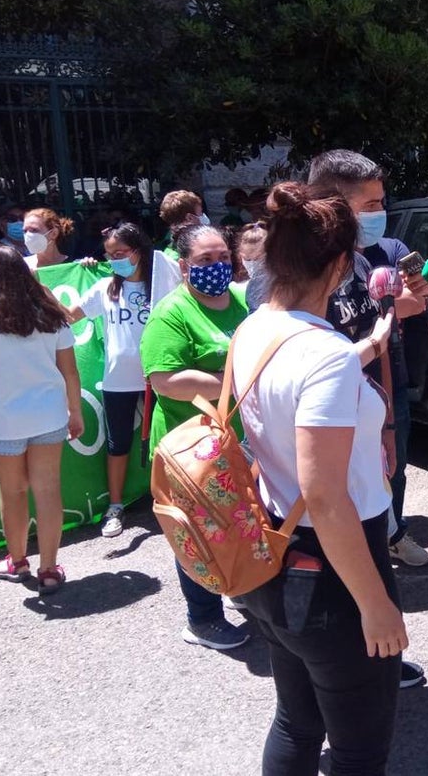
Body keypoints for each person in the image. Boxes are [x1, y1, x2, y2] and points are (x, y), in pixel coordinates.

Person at [232, 181, 407, 776]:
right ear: (338, 266)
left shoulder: (253, 328)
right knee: (358, 750)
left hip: (272, 551)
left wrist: (363, 348)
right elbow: (330, 500)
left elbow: (298, 379)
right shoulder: (326, 357)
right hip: (332, 570)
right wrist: (376, 604)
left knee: (296, 721)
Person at [308, 149, 428, 689]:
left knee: (376, 515)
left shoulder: (366, 259)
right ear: (333, 206)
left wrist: (407, 305)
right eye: (371, 204)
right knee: (339, 539)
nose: (381, 213)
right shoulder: (293, 268)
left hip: (376, 405)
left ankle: (375, 654)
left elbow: (403, 310)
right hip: (326, 422)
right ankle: (355, 664)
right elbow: (301, 354)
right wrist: (368, 347)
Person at [139, 223, 250, 650]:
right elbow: (166, 380)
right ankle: (202, 619)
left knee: (240, 525)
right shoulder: (172, 312)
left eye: (223, 257)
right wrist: (227, 382)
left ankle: (240, 585)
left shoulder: (242, 300)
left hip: (236, 442)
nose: (217, 266)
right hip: (191, 450)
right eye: (205, 260)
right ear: (184, 266)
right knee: (199, 533)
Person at [0, 245, 84, 595]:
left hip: (3, 422)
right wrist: (75, 411)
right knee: (48, 491)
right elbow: (70, 372)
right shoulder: (51, 316)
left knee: (12, 492)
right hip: (49, 417)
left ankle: (17, 560)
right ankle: (49, 568)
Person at [63, 223, 153, 538]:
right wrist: (41, 289)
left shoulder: (161, 285)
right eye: (110, 255)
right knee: (118, 445)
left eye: (121, 253)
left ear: (139, 251)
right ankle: (115, 506)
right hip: (118, 381)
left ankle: (173, 498)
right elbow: (69, 315)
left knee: (167, 440)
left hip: (158, 377)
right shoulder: (105, 288)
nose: (115, 260)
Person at [157, 190, 210, 258]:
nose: (203, 216)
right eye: (201, 212)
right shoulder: (188, 255)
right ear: (189, 218)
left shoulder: (168, 251)